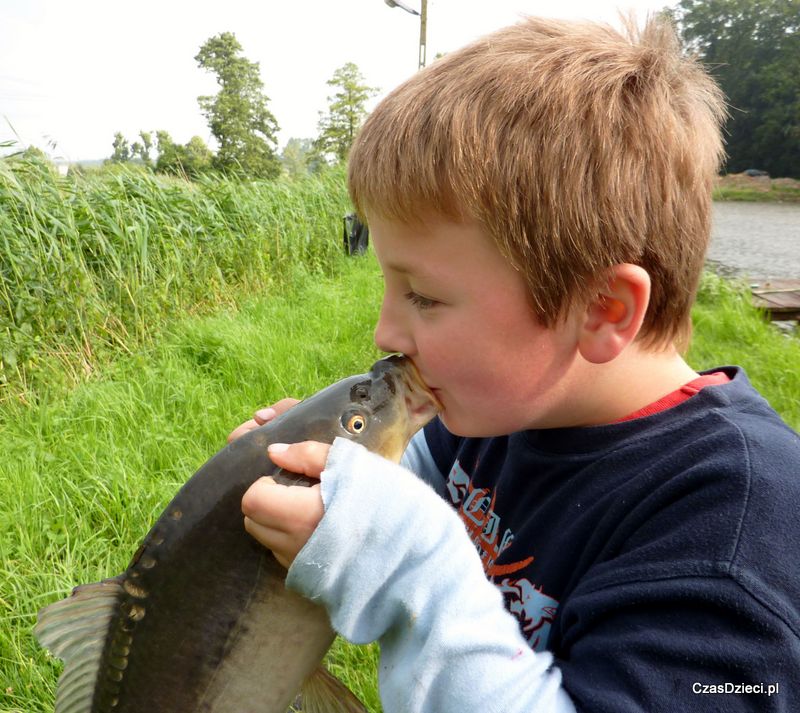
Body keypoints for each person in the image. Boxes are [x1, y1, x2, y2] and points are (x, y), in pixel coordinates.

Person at [231, 14, 800, 713]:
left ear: (602, 309)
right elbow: (427, 466)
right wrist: (337, 471)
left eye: (425, 296)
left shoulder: (736, 539)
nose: (384, 329)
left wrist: (410, 565)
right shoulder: (505, 406)